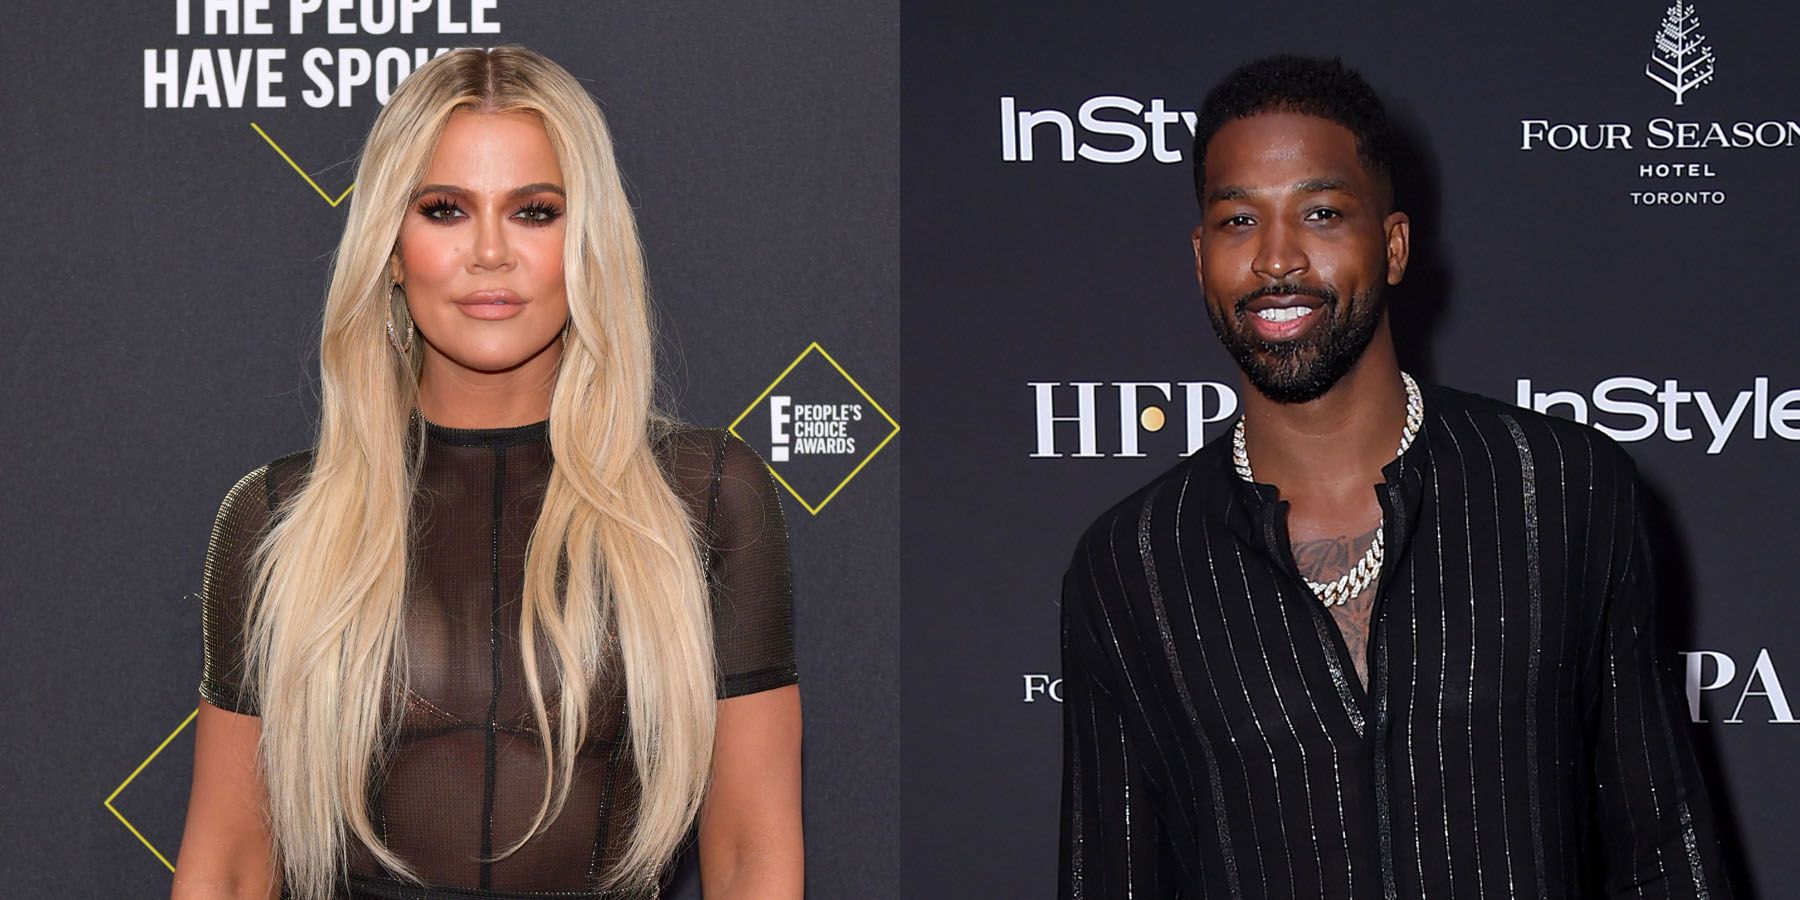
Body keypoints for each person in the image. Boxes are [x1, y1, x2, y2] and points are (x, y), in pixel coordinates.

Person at [1057, 55, 1731, 899]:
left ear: (1394, 244)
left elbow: (1664, 847)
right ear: (1201, 258)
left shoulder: (1563, 491)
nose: (1276, 258)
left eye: (1321, 212)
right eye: (1238, 220)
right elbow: (1109, 877)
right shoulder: (1131, 565)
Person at [171, 45, 803, 900]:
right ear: (392, 249)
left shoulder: (705, 496)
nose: (491, 252)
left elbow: (751, 850)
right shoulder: (281, 517)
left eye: (535, 212)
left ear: (587, 243)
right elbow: (231, 864)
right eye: (445, 210)